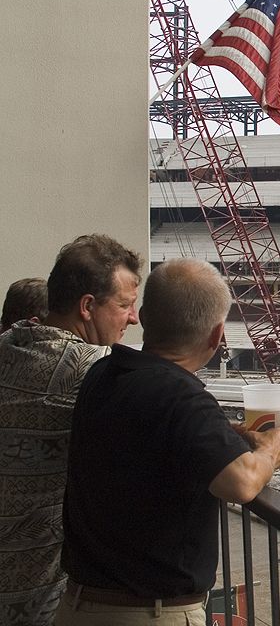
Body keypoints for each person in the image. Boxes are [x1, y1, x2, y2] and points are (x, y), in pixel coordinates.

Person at [57, 258, 280, 625]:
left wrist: (231, 436)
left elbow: (152, 435)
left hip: (78, 605)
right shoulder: (181, 396)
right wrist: (271, 449)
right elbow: (241, 483)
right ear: (217, 335)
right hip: (146, 613)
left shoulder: (105, 373)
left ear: (144, 316)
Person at [0, 235, 142, 626]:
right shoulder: (92, 368)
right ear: (87, 307)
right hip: (35, 600)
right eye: (126, 305)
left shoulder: (10, 343)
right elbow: (170, 426)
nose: (133, 319)